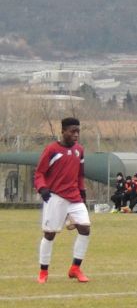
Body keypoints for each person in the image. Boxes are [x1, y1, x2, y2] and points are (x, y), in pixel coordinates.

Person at [33, 117, 91, 283]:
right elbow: (39, 173)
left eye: (78, 131)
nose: (76, 134)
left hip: (74, 197)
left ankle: (75, 268)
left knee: (85, 229)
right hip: (55, 197)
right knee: (50, 235)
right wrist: (42, 188)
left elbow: (80, 174)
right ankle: (43, 271)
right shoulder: (52, 149)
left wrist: (83, 192)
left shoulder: (79, 150)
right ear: (63, 131)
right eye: (72, 131)